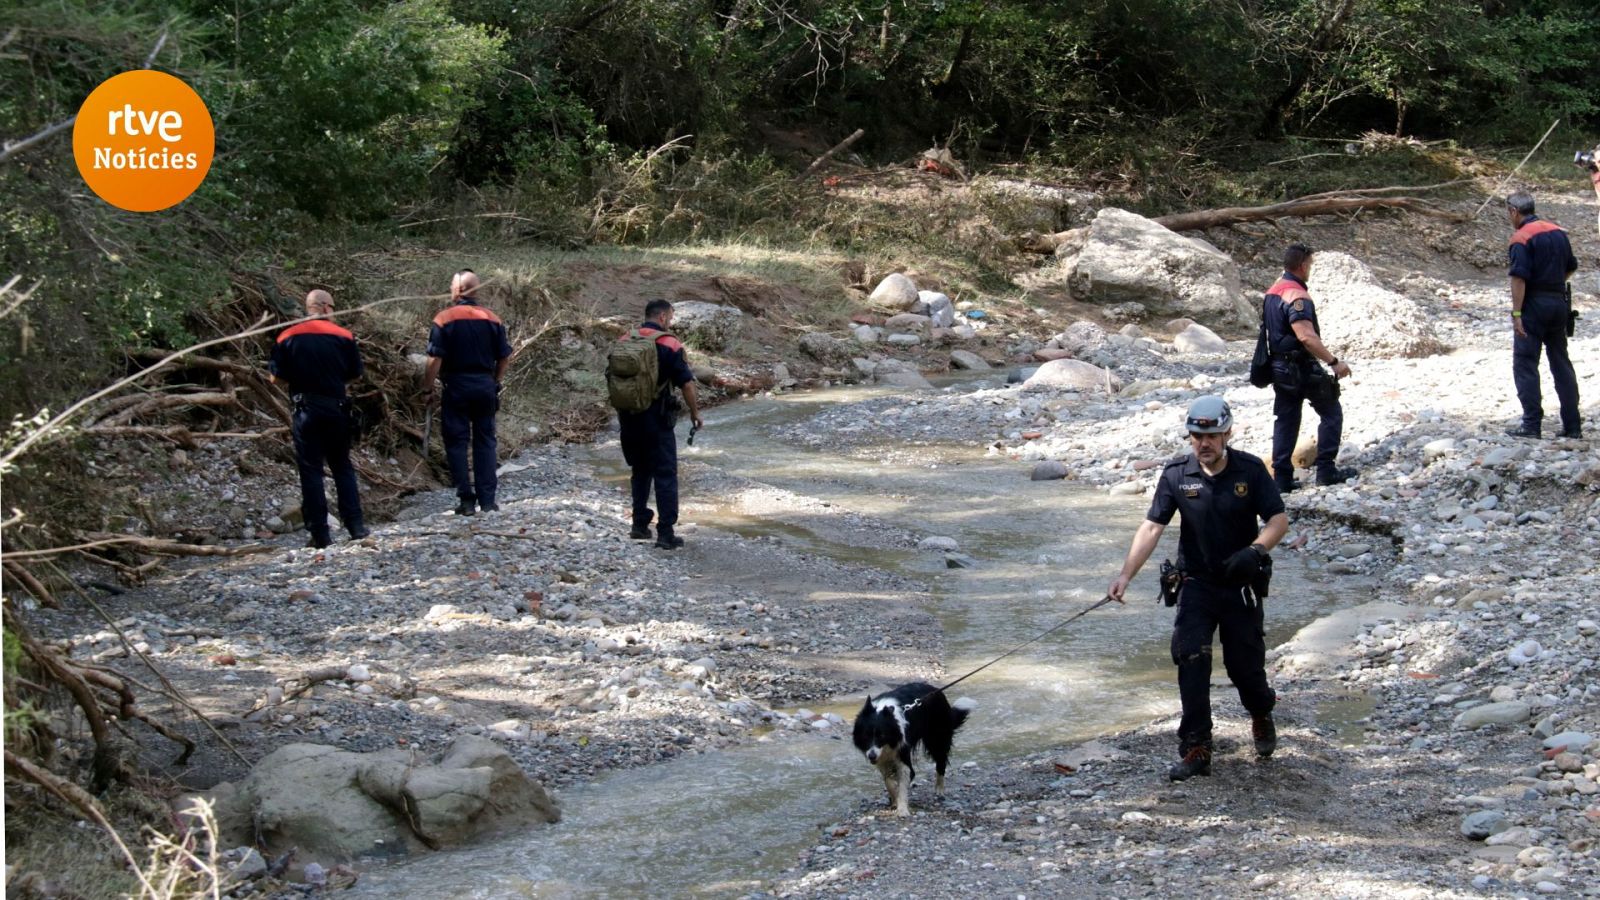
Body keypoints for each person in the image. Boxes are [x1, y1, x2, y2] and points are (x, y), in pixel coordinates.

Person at [1108, 396, 1289, 781]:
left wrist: (1256, 551)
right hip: (1196, 583)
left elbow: (1278, 519)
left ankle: (1261, 711)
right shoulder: (1177, 473)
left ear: (1227, 434)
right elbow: (1152, 527)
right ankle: (1196, 747)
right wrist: (1125, 576)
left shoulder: (1251, 471)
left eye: (1211, 436)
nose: (1203, 444)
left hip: (1240, 583)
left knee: (1245, 670)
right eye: (1196, 436)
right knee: (1191, 657)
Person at [269, 290, 368, 549]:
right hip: (336, 408)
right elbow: (356, 374)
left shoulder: (287, 335)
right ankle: (356, 526)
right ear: (325, 308)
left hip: (305, 409)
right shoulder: (343, 336)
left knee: (311, 470)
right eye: (333, 307)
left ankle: (320, 534)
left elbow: (275, 377)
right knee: (342, 466)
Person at [1263, 243, 1355, 491]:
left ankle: (1281, 478)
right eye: (1310, 265)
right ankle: (1326, 470)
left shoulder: (1273, 291)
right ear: (1303, 266)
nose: (1310, 269)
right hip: (1301, 367)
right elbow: (1306, 336)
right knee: (1331, 412)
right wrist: (1334, 363)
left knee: (1286, 419)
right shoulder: (1297, 295)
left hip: (1279, 367)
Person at [423, 270, 513, 515]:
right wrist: (495, 380)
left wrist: (427, 388)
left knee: (456, 443)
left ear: (457, 290)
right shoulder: (492, 318)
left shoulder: (444, 319)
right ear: (477, 290)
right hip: (484, 386)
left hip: (457, 387)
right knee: (485, 442)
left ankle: (465, 500)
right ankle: (487, 501)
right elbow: (504, 356)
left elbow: (434, 359)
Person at [618, 299, 703, 549]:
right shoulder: (669, 343)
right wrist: (695, 413)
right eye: (671, 317)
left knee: (640, 471)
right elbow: (686, 383)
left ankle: (639, 525)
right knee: (665, 473)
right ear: (664, 317)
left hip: (629, 416)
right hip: (657, 418)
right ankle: (665, 532)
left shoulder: (625, 340)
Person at [1504, 192, 1580, 439]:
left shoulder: (1521, 238)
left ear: (1514, 211)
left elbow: (1518, 278)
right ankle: (1572, 427)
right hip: (1559, 303)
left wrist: (1517, 313)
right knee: (1561, 362)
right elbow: (1571, 266)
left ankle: (1531, 425)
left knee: (1526, 364)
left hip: (1533, 305)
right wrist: (1555, 284)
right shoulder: (1558, 232)